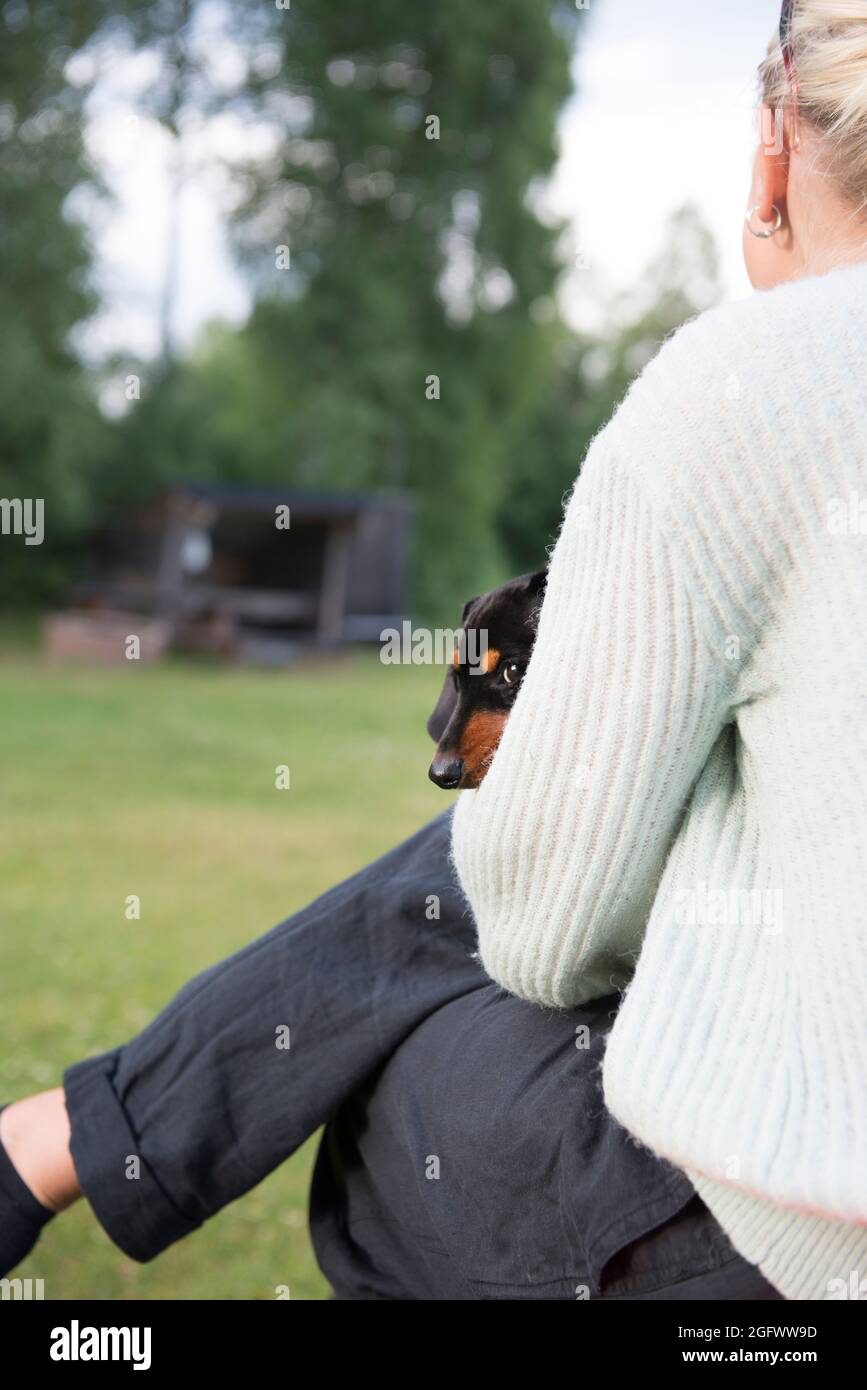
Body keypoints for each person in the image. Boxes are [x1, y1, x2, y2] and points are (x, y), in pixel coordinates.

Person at [2, 1, 865, 1300]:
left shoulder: (751, 384)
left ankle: (70, 1136)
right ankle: (79, 1132)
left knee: (400, 1082)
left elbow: (539, 921)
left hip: (809, 1247)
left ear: (773, 130)